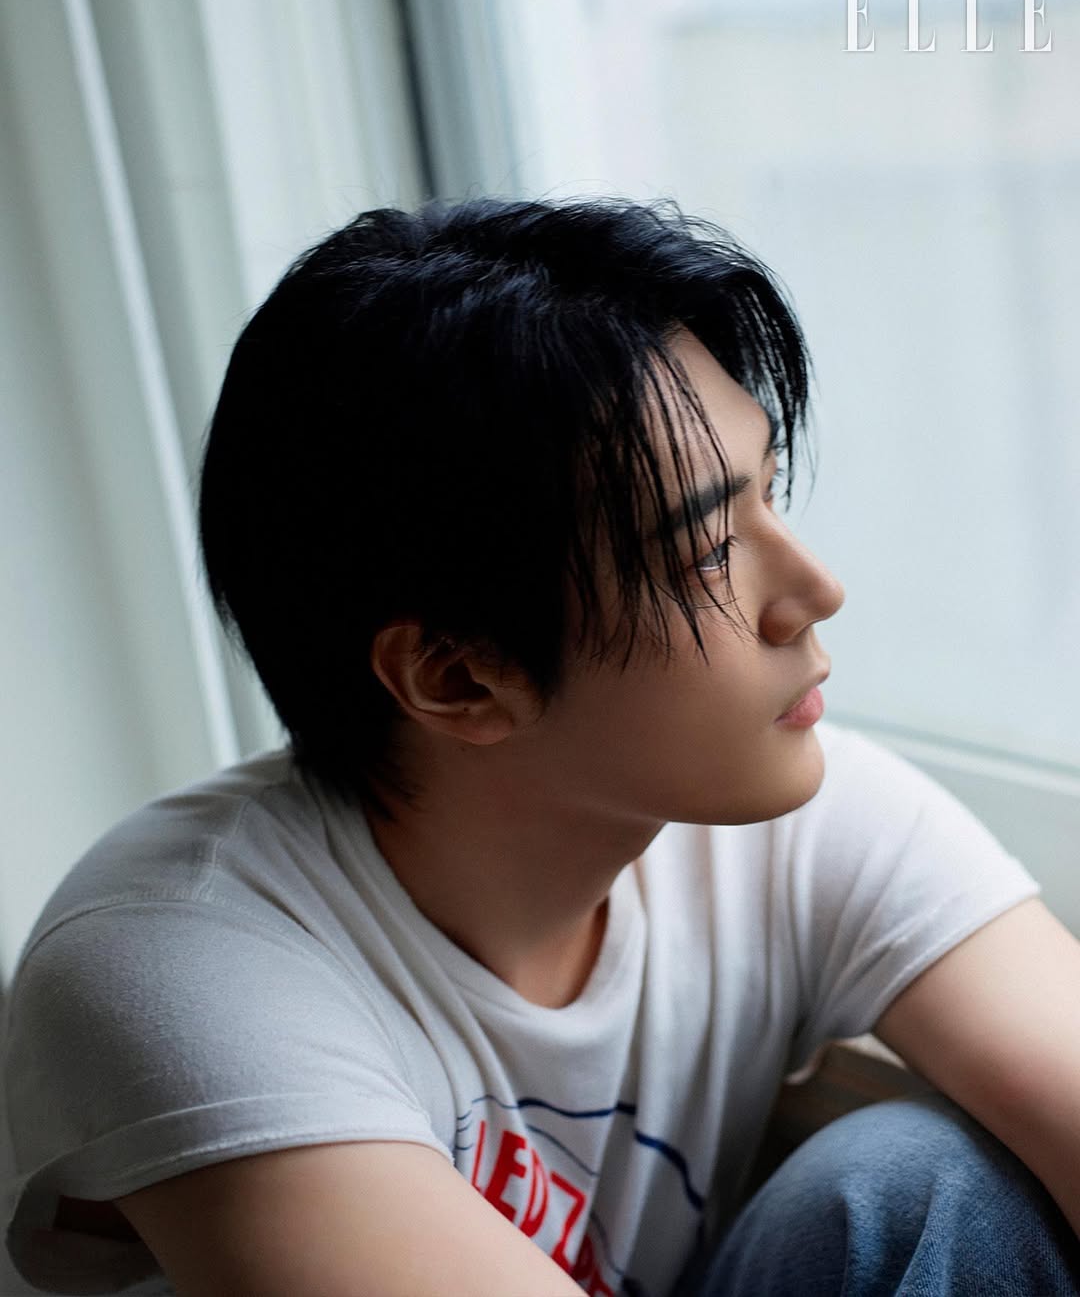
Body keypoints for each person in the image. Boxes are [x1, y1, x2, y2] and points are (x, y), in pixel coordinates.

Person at [3, 196, 1079, 1297]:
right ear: (457, 677)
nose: (814, 589)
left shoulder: (807, 824)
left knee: (920, 1184)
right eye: (709, 552)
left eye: (771, 492)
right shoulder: (176, 966)